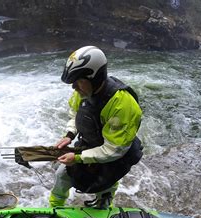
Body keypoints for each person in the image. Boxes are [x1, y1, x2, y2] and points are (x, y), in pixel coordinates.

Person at [49, 45, 143, 208]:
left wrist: (78, 157)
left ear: (95, 77)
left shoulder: (122, 104)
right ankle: (55, 207)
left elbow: (114, 149)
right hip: (91, 145)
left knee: (104, 183)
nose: (74, 88)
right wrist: (69, 135)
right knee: (62, 175)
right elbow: (75, 113)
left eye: (78, 82)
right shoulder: (84, 92)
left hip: (116, 153)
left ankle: (104, 204)